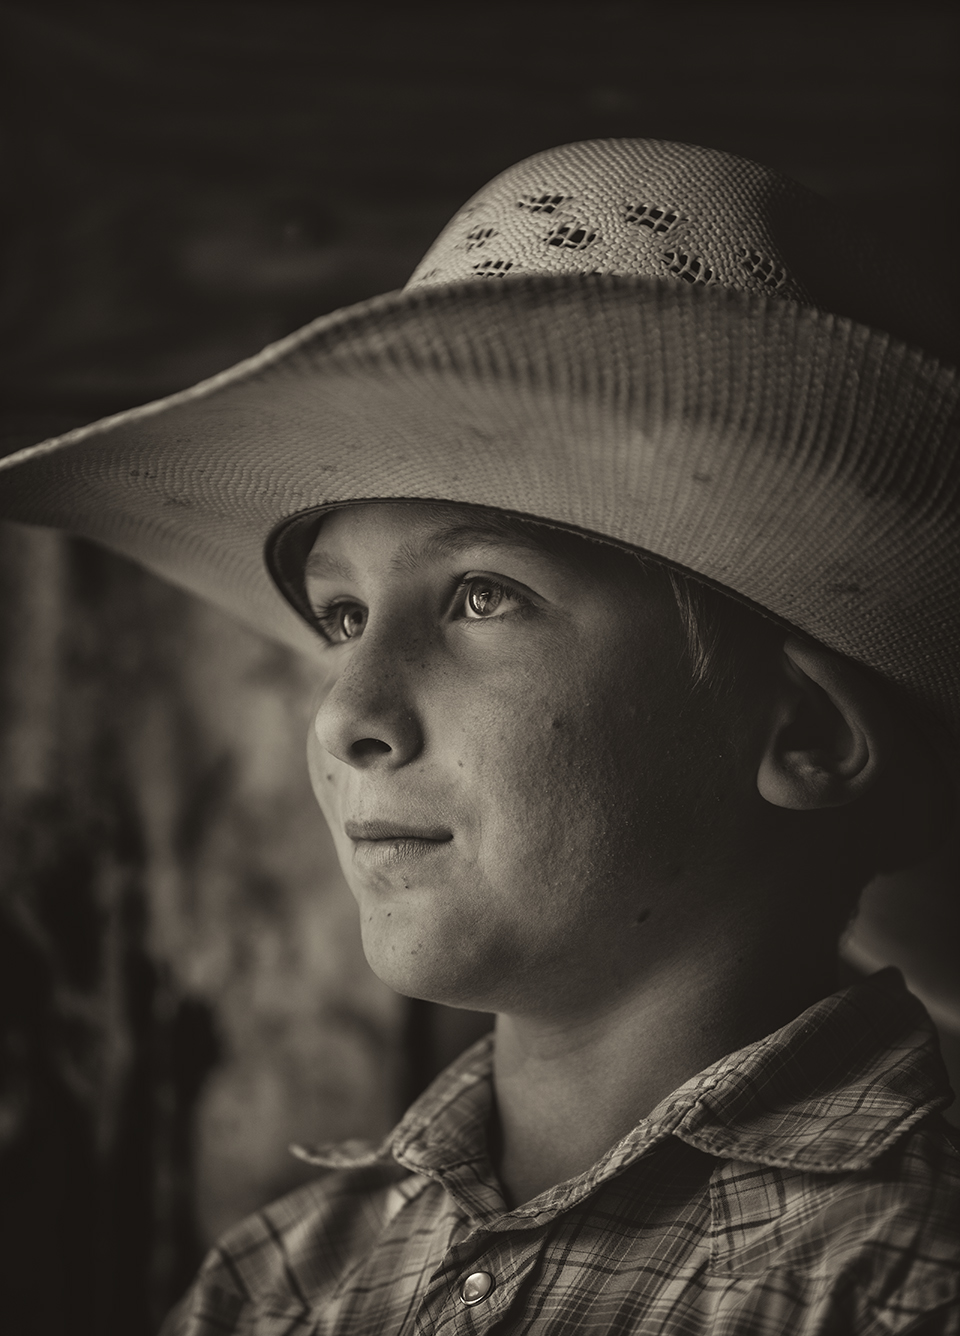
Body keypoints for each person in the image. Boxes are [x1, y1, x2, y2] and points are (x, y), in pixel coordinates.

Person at [2, 138, 959, 1334]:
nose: (345, 714)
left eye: (480, 595)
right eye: (343, 618)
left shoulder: (901, 1283)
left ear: (805, 730)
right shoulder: (280, 1282)